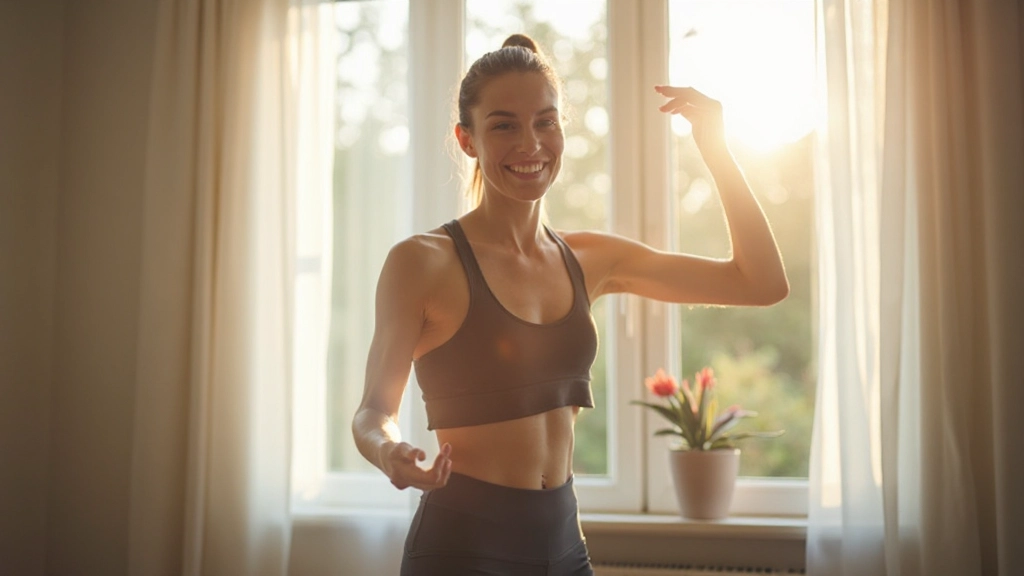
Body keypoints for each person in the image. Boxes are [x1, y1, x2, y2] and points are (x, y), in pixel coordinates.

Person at [352, 33, 789, 576]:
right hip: (462, 549)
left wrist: (717, 150)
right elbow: (373, 412)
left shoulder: (590, 258)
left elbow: (760, 283)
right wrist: (388, 451)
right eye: (503, 124)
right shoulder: (422, 262)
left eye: (545, 121)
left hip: (564, 547)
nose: (530, 143)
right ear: (466, 139)